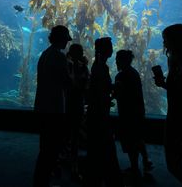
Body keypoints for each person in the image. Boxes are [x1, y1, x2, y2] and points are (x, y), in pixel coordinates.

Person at [153, 23, 182, 186]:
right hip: (174, 117)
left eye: (166, 40)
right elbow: (177, 88)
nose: (163, 44)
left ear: (175, 41)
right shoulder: (173, 59)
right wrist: (162, 84)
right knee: (174, 163)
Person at [33, 25, 72, 187]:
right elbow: (66, 82)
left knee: (45, 147)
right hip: (54, 108)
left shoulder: (45, 54)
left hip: (42, 106)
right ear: (61, 39)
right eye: (65, 39)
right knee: (52, 148)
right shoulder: (59, 56)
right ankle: (42, 182)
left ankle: (41, 181)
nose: (67, 43)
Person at [85, 37, 124, 187]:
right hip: (99, 115)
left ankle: (98, 178)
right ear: (105, 50)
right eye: (110, 46)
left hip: (99, 112)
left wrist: (112, 90)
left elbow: (100, 89)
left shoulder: (99, 65)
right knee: (104, 147)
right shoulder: (100, 67)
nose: (112, 49)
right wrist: (111, 93)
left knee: (99, 149)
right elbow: (100, 92)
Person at [113, 50, 153, 181]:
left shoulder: (121, 76)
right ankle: (146, 160)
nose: (116, 61)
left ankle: (134, 168)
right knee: (138, 136)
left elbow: (119, 94)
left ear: (121, 60)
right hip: (138, 111)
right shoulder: (134, 72)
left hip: (127, 114)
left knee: (130, 141)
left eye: (118, 59)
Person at [65, 43, 90, 180]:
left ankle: (72, 163)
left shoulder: (80, 67)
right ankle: (70, 162)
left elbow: (85, 86)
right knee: (70, 134)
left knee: (73, 135)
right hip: (71, 104)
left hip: (74, 104)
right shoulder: (71, 66)